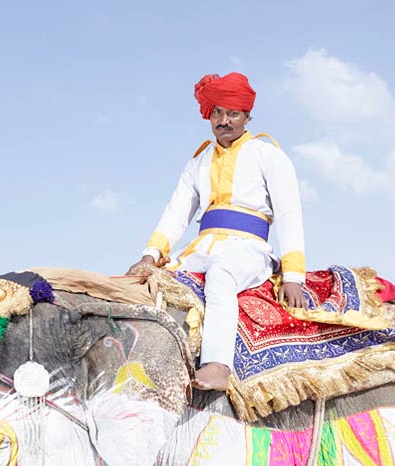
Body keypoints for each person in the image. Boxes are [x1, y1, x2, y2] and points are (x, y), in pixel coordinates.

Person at [127, 72, 306, 391]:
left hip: (248, 249)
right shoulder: (198, 162)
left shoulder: (269, 155)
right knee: (150, 281)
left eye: (232, 113)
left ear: (247, 116)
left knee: (222, 276)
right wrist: (150, 255)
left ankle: (217, 365)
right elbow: (176, 213)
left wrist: (293, 277)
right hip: (201, 248)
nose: (223, 121)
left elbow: (289, 214)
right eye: (217, 113)